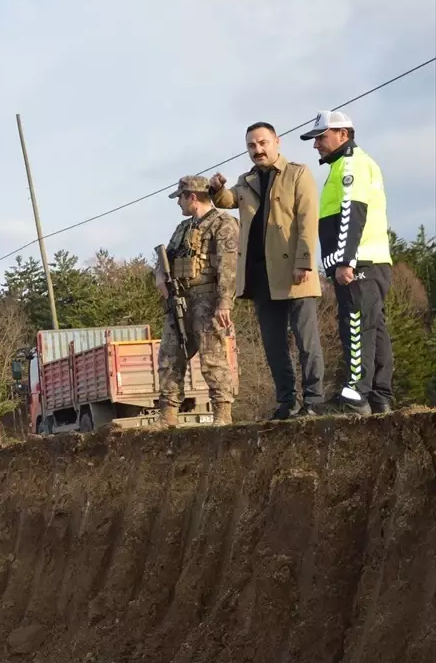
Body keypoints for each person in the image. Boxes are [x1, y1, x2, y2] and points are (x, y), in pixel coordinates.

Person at [208, 122, 324, 420]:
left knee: (306, 340)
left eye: (262, 143)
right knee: (273, 345)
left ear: (277, 142)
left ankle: (314, 400)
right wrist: (217, 188)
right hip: (261, 276)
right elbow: (228, 200)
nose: (258, 150)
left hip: (295, 270)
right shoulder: (246, 180)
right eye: (251, 146)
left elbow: (308, 221)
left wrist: (304, 262)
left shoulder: (299, 174)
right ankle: (287, 402)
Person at [301, 110, 394, 415]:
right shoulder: (353, 163)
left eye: (321, 137)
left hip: (360, 264)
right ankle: (380, 395)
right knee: (374, 328)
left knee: (355, 326)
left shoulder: (350, 165)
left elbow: (352, 214)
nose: (316, 145)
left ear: (343, 134)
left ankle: (356, 396)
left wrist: (344, 262)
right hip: (372, 261)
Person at [155, 176, 241, 426]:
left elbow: (229, 266)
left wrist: (225, 302)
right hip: (180, 299)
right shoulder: (183, 228)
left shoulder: (223, 223)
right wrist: (160, 276)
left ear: (192, 197)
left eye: (180, 197)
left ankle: (222, 413)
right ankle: (167, 414)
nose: (178, 203)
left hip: (208, 298)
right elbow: (165, 259)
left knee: (212, 357)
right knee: (170, 356)